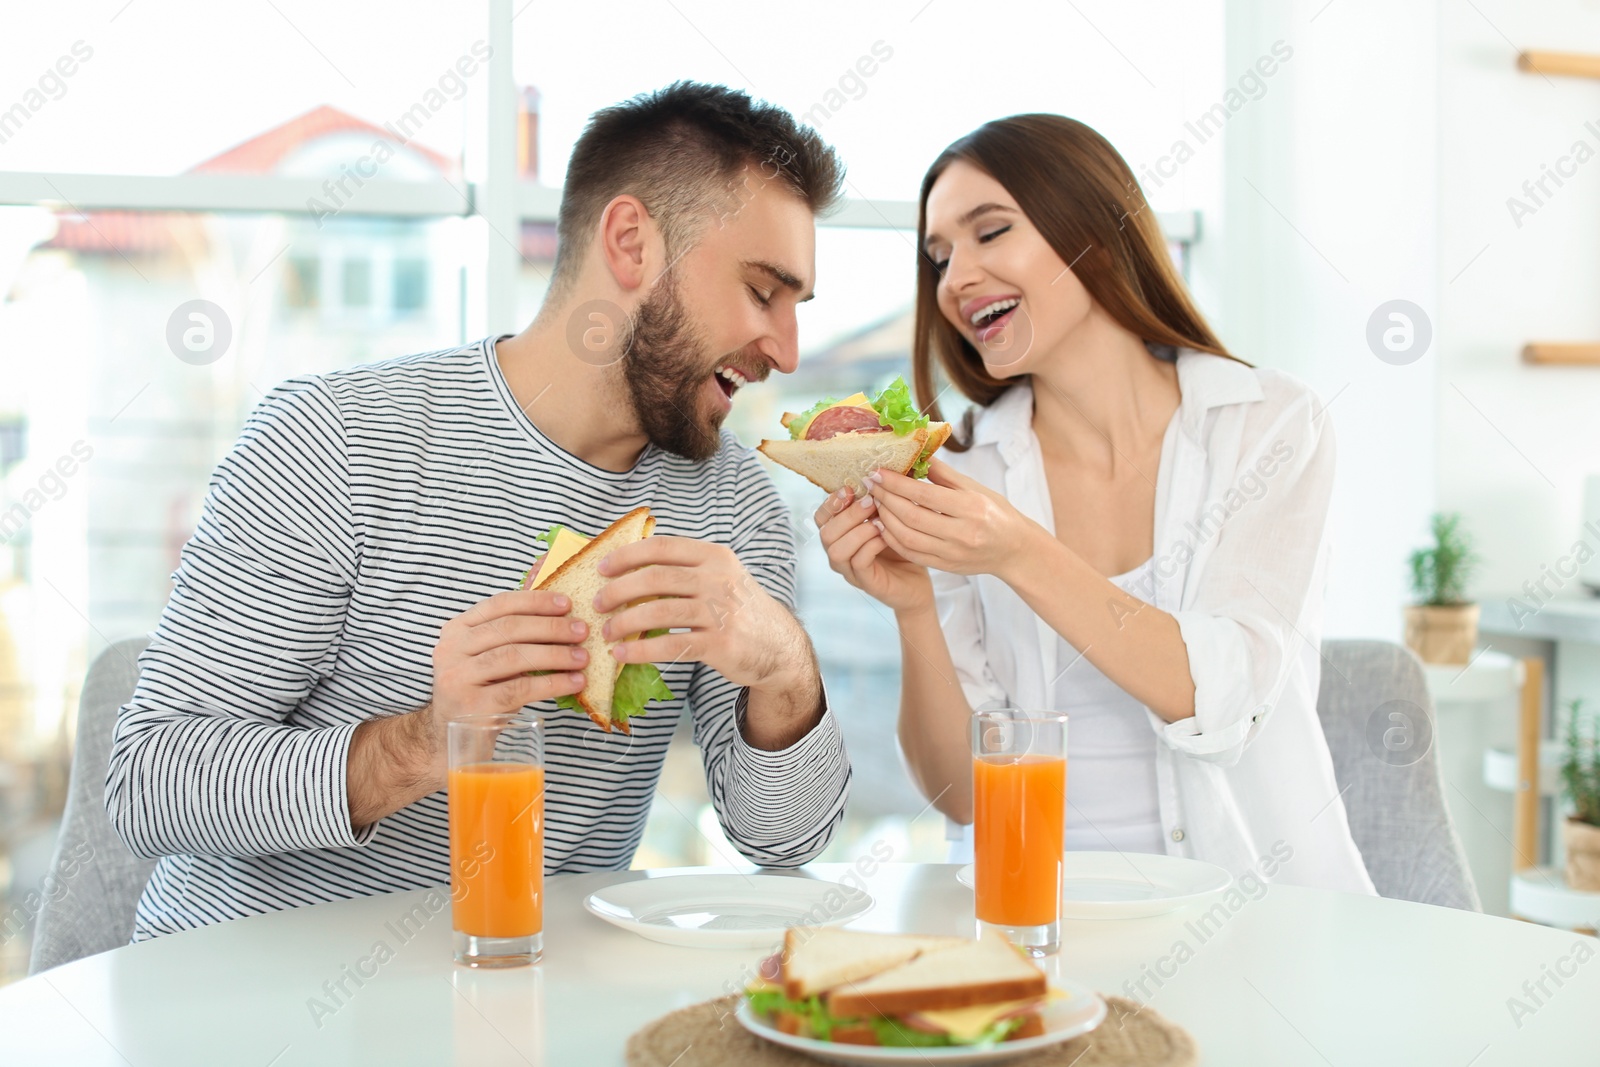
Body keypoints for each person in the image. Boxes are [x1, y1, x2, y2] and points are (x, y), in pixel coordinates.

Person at [106, 82, 852, 940]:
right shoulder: (337, 439)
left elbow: (783, 841)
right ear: (631, 243)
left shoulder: (733, 508)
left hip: (520, 997)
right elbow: (149, 781)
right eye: (764, 292)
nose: (787, 352)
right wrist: (427, 741)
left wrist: (787, 669)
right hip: (246, 1005)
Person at [815, 114, 1373, 892]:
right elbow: (957, 795)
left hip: (1253, 918)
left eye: (990, 232)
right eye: (938, 258)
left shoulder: (1268, 425)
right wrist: (913, 609)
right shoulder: (964, 473)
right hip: (1033, 918)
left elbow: (1220, 694)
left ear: (1097, 234)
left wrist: (1016, 551)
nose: (955, 279)